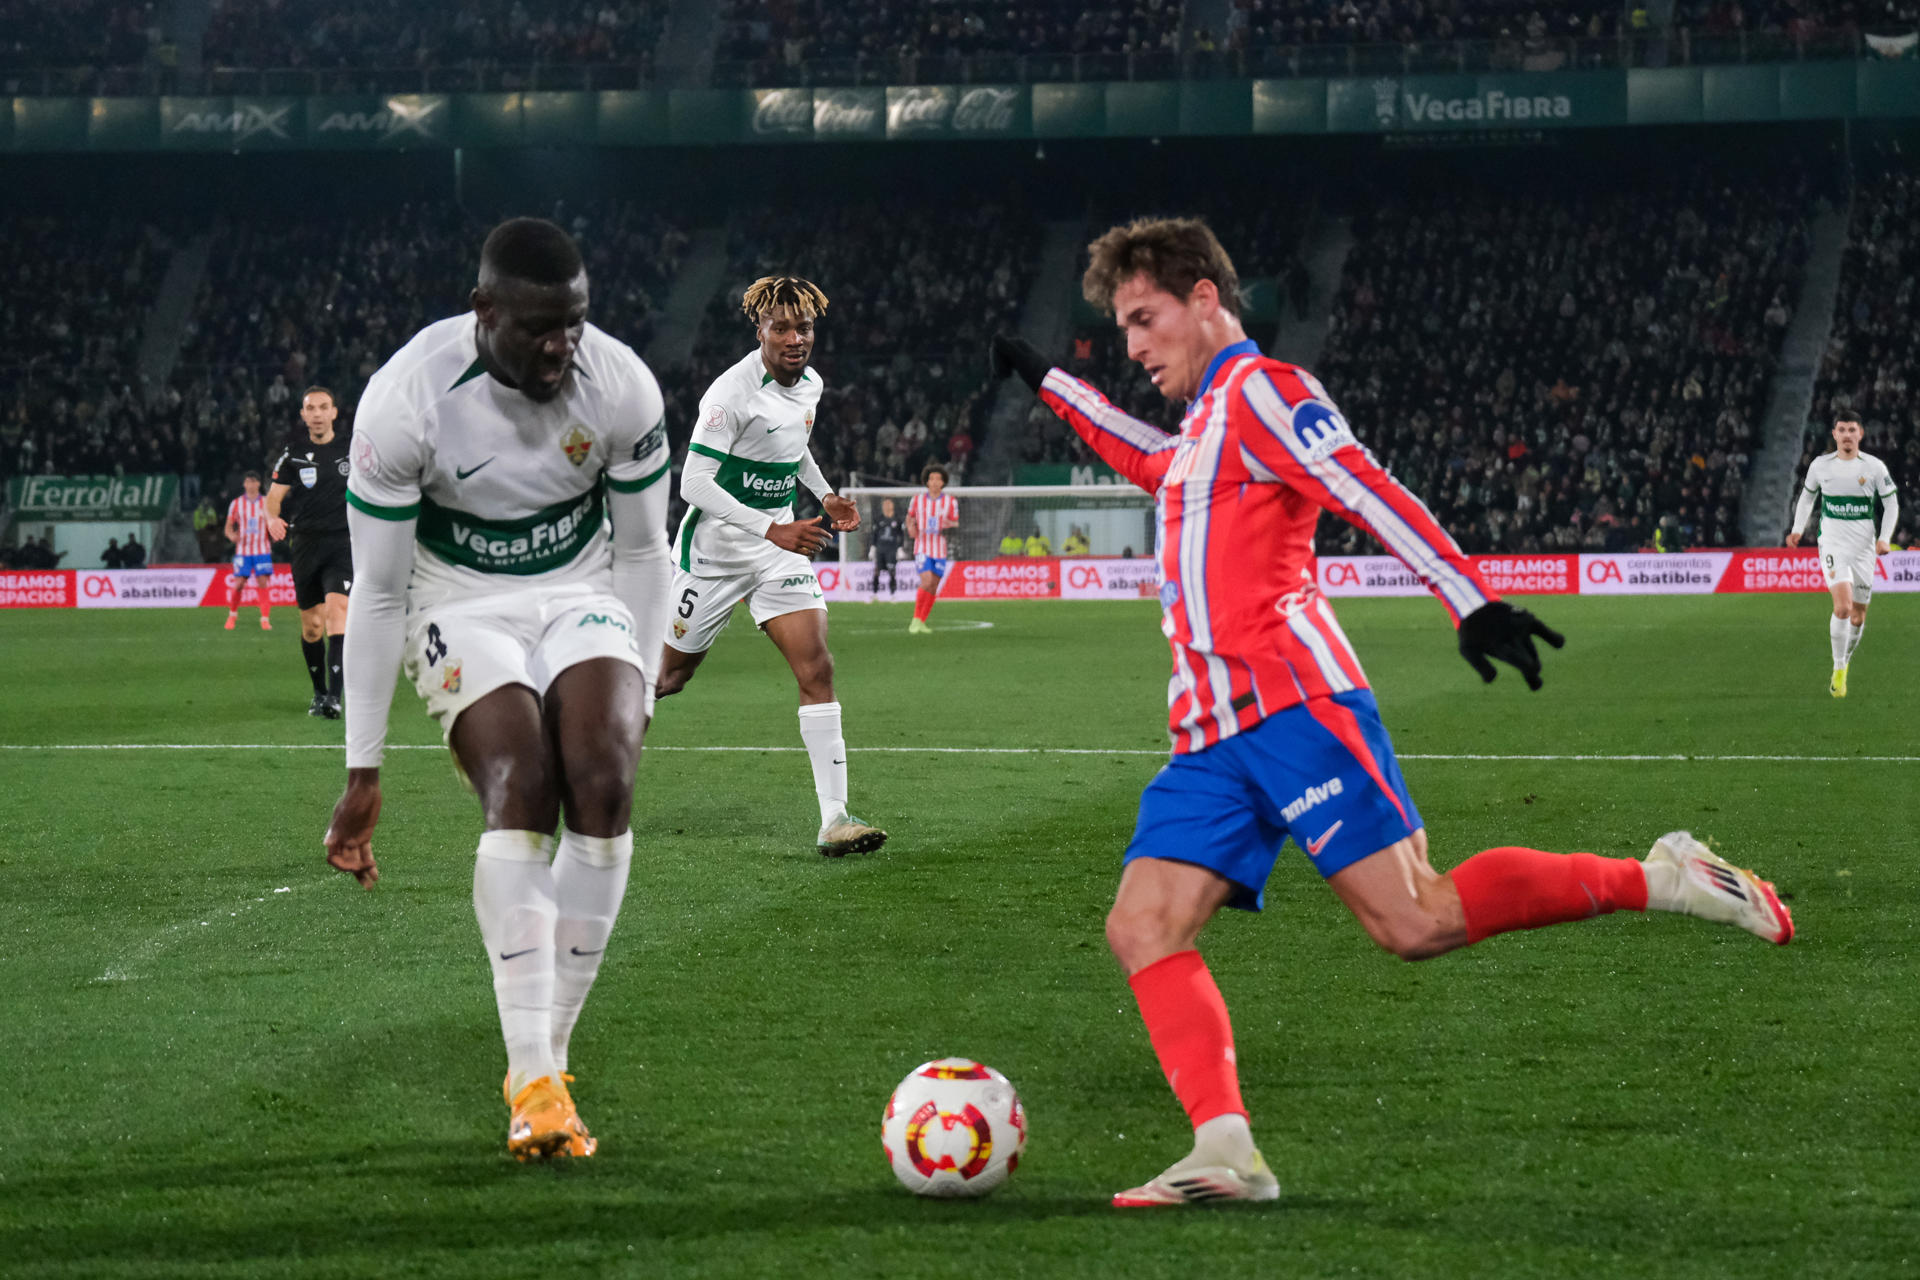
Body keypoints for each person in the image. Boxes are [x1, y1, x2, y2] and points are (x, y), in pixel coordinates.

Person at [990, 216, 1793, 1210]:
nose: (1133, 346)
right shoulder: (1201, 427)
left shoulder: (1267, 392)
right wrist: (1046, 379)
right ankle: (1225, 1150)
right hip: (1210, 735)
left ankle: (1665, 878)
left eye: (1143, 319)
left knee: (1417, 919)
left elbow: (1364, 486)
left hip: (1297, 706)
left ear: (1204, 299)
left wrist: (1471, 600)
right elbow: (1146, 457)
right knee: (1143, 923)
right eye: (1121, 330)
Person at [324, 217, 674, 1162]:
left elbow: (646, 551)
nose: (562, 347)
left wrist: (638, 689)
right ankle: (534, 1071)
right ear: (483, 310)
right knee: (521, 782)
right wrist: (363, 769)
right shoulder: (406, 400)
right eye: (539, 328)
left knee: (605, 779)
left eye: (575, 323)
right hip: (458, 601)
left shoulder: (622, 384)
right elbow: (380, 592)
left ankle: (541, 1067)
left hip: (582, 589)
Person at [655, 276, 885, 859]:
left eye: (803, 327)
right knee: (667, 679)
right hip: (715, 555)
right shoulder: (729, 395)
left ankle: (835, 819)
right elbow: (693, 483)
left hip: (777, 552)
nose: (793, 338)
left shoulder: (811, 384)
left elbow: (792, 445)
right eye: (780, 327)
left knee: (817, 668)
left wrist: (824, 493)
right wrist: (772, 527)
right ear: (759, 330)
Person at [1787, 415, 1898, 698]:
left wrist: (1884, 538)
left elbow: (1891, 504)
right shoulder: (1820, 466)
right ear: (1834, 434)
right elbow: (1807, 497)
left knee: (1858, 617)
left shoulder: (1874, 467)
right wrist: (1798, 529)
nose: (1847, 434)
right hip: (1833, 544)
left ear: (1860, 433)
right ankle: (1838, 669)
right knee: (1843, 608)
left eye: (1852, 429)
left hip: (1864, 549)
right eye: (1842, 430)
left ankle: (1845, 661)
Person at [268, 387, 354, 718]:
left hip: (343, 543)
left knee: (337, 611)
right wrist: (272, 519)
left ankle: (334, 697)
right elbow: (273, 498)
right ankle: (319, 693)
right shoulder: (293, 454)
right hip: (305, 545)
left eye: (323, 407)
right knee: (312, 627)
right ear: (303, 415)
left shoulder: (351, 449)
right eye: (311, 408)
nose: (317, 413)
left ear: (334, 412)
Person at [905, 464, 959, 635]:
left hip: (940, 548)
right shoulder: (917, 500)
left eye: (938, 479)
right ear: (927, 482)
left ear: (943, 483)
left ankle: (922, 621)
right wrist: (911, 528)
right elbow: (909, 517)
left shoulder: (950, 501)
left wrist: (947, 525)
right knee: (927, 581)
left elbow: (956, 523)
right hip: (922, 546)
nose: (935, 482)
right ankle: (915, 620)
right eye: (931, 479)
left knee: (934, 586)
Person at [224, 472, 275, 631]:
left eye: (253, 481)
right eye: (248, 481)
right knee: (239, 584)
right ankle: (232, 615)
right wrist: (232, 536)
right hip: (243, 550)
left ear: (258, 484)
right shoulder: (236, 504)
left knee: (262, 582)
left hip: (262, 549)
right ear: (244, 484)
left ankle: (265, 619)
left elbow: (273, 522)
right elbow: (228, 528)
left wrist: (274, 533)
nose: (251, 485)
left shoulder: (267, 502)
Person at [870, 496, 906, 600]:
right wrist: (873, 547)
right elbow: (874, 534)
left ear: (892, 505)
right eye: (885, 504)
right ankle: (874, 594)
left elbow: (901, 535)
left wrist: (900, 548)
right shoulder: (878, 519)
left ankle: (893, 594)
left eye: (889, 504)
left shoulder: (897, 520)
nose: (887, 506)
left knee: (892, 571)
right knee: (876, 571)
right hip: (880, 548)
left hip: (892, 549)